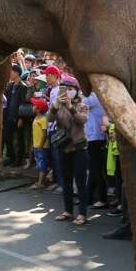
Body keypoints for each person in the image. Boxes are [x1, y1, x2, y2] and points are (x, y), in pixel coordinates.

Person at [50, 78, 89, 224]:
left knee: (80, 181)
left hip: (79, 148)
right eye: (64, 88)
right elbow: (49, 119)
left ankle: (82, 214)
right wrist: (55, 106)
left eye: (70, 88)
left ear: (76, 90)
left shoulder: (82, 105)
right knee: (66, 181)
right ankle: (68, 211)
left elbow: (82, 120)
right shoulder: (59, 106)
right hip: (63, 148)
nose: (67, 90)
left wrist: (71, 106)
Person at [83, 88, 111, 209]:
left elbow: (82, 102)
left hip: (96, 136)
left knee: (96, 169)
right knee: (94, 169)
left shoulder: (94, 96)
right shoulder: (96, 95)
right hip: (92, 136)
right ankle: (88, 198)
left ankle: (102, 199)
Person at [29, 95, 52, 189]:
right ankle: (41, 180)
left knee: (42, 163)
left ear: (38, 109)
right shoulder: (36, 118)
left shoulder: (43, 119)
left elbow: (44, 134)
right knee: (39, 162)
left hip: (42, 146)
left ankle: (40, 182)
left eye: (34, 106)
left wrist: (41, 145)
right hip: (36, 144)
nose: (32, 107)